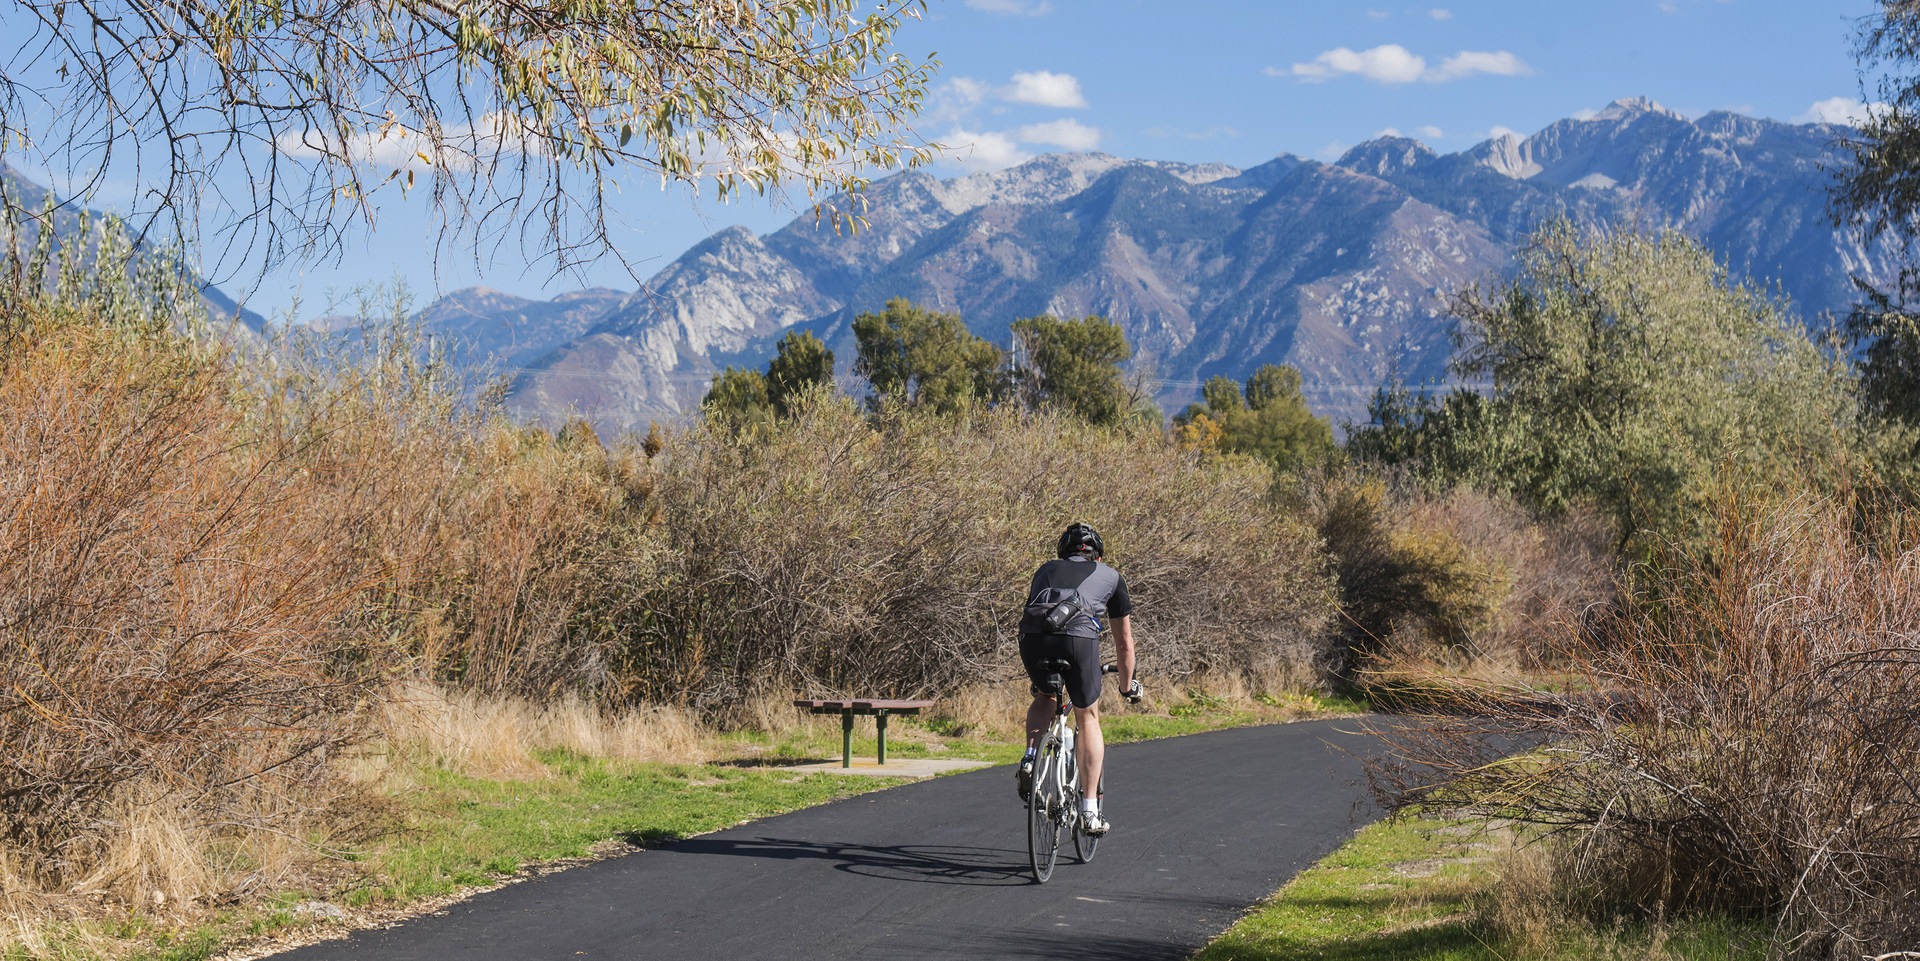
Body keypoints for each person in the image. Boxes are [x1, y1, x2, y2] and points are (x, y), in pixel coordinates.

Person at [1015, 522, 1140, 835]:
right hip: (1078, 640)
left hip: (1033, 639)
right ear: (1097, 556)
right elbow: (1124, 642)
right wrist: (1127, 687)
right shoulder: (1111, 576)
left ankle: (1030, 757)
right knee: (1088, 717)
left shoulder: (1044, 569)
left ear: (1063, 553)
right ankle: (1089, 810)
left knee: (1045, 695)